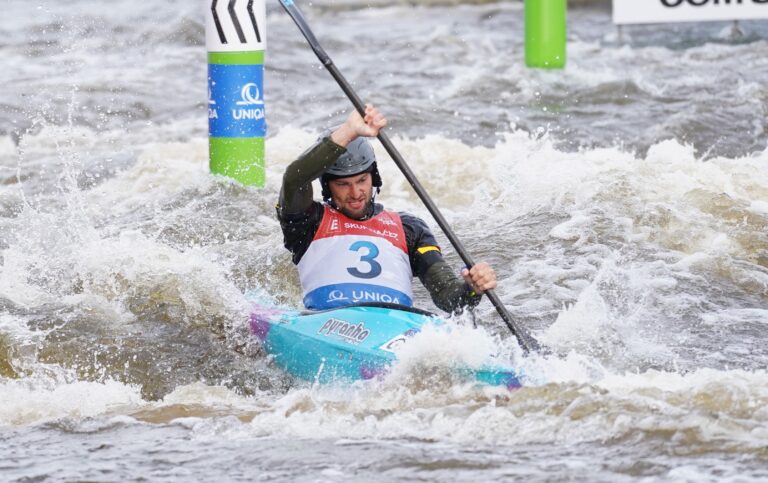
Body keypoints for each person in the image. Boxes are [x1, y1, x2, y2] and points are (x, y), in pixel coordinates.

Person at [276, 104, 497, 313]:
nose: (355, 193)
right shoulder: (308, 222)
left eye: (362, 180)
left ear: (374, 177)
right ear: (327, 186)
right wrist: (349, 131)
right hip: (327, 322)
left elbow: (448, 298)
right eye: (343, 184)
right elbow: (294, 180)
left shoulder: (410, 229)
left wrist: (472, 289)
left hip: (395, 326)